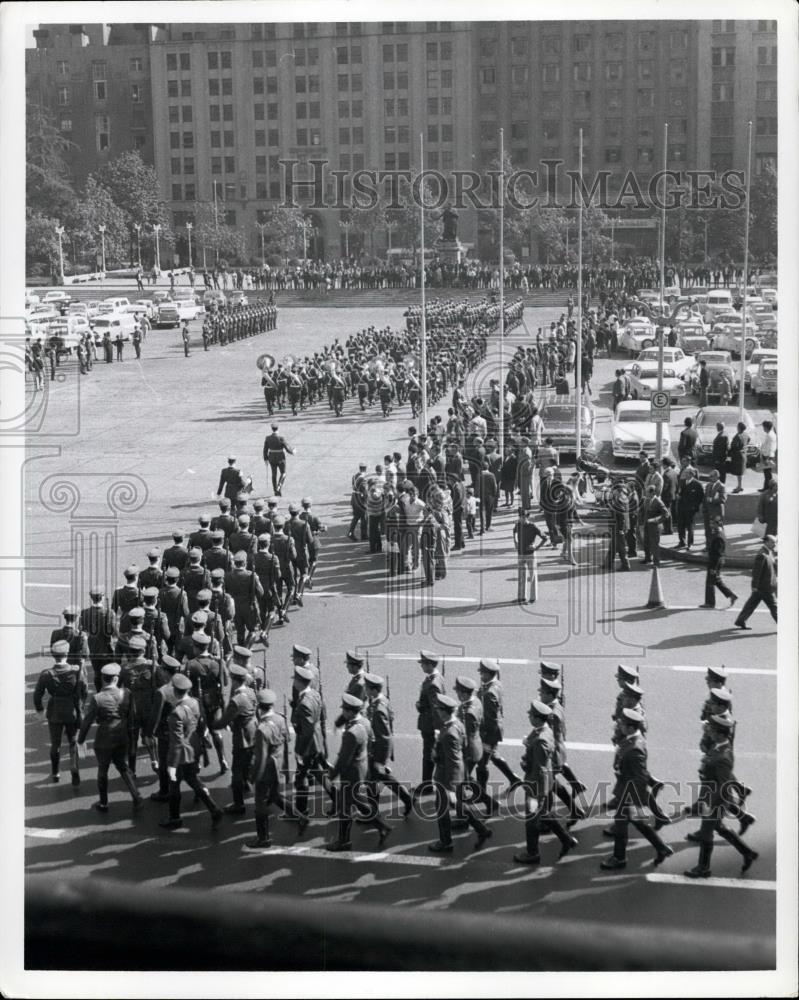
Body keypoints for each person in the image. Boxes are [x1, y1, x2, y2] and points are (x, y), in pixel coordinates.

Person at [683, 714, 758, 878]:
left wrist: (710, 805)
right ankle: (747, 853)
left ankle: (703, 868)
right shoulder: (719, 746)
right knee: (719, 827)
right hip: (710, 794)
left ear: (720, 734)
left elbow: (724, 785)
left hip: (715, 800)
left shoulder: (723, 756)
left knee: (705, 832)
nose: (708, 730)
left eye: (712, 729)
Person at [599, 708, 673, 870]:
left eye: (623, 725)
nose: (620, 727)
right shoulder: (631, 739)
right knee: (636, 822)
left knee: (621, 825)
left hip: (628, 792)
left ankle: (619, 858)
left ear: (631, 728)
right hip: (625, 789)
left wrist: (633, 799)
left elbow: (639, 777)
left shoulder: (634, 749)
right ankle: (662, 848)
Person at [512, 700, 578, 865]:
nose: (529, 717)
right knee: (543, 813)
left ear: (536, 718)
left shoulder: (541, 739)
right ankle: (565, 839)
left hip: (536, 785)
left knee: (531, 820)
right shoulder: (544, 731)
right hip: (543, 781)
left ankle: (533, 853)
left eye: (531, 715)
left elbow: (539, 769)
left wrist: (527, 773)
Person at [326, 693, 392, 851]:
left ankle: (344, 841)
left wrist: (331, 776)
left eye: (344, 710)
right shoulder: (365, 722)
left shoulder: (352, 733)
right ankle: (382, 826)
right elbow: (373, 741)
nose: (343, 713)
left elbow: (343, 759)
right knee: (358, 801)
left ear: (349, 712)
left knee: (345, 807)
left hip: (351, 772)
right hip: (361, 767)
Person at [159, 672, 224, 831]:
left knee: (174, 785)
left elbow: (176, 742)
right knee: (193, 779)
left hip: (181, 754)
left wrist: (172, 766)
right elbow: (202, 723)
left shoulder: (176, 713)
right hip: (194, 748)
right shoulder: (195, 702)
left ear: (175, 691)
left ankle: (175, 818)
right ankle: (214, 809)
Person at [428, 694, 491, 854]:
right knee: (457, 805)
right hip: (456, 773)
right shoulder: (457, 725)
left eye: (439, 709)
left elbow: (452, 760)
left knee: (441, 808)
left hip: (447, 776)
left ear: (444, 712)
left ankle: (446, 842)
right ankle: (481, 829)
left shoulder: (449, 732)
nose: (437, 712)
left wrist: (450, 784)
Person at [77, 663, 143, 813]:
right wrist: (132, 737)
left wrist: (80, 741)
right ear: (116, 678)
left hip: (104, 738)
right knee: (122, 766)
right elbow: (133, 716)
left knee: (103, 770)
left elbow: (87, 722)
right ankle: (136, 796)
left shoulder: (98, 698)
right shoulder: (126, 693)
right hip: (122, 736)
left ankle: (104, 802)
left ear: (103, 679)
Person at [247, 688, 307, 847]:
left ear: (259, 708)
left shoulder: (262, 730)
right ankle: (300, 816)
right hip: (278, 764)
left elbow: (261, 758)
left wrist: (254, 777)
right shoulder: (280, 718)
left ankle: (263, 838)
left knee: (260, 802)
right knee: (275, 796)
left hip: (266, 769)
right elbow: (287, 738)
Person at [33, 640, 88, 785]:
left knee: (55, 744)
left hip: (55, 711)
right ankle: (74, 766)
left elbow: (37, 695)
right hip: (72, 710)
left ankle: (56, 772)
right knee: (72, 741)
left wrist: (40, 710)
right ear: (67, 654)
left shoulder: (47, 674)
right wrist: (80, 705)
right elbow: (85, 690)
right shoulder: (77, 670)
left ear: (53, 655)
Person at [363, 672, 413, 817]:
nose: (365, 690)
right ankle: (405, 798)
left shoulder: (378, 710)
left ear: (373, 690)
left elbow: (384, 736)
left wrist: (380, 759)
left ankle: (372, 813)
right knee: (376, 779)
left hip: (377, 750)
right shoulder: (382, 701)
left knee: (375, 778)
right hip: (376, 749)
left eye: (367, 688)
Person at [211, 662, 258, 815]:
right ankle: (248, 784)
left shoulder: (236, 700)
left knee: (236, 771)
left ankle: (239, 804)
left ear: (235, 680)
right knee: (249, 763)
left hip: (242, 736)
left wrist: (211, 725)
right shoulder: (251, 692)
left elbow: (224, 721)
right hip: (252, 732)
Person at [414, 649, 445, 798]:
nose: (422, 666)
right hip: (430, 722)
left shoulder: (433, 683)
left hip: (430, 725)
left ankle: (427, 785)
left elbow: (436, 708)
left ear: (430, 664)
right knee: (429, 754)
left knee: (428, 755)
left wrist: (437, 729)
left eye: (423, 664)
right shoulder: (434, 678)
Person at [733, 534, 777, 630]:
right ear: (766, 542)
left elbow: (773, 568)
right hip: (765, 587)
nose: (775, 544)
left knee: (751, 604)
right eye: (773, 542)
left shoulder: (769, 552)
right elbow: (756, 572)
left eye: (775, 542)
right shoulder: (761, 555)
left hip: (766, 586)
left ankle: (740, 620)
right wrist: (754, 586)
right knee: (774, 607)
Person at [700, 518, 738, 610]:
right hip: (716, 560)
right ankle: (731, 595)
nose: (710, 525)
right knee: (715, 580)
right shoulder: (718, 533)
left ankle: (710, 603)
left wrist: (713, 567)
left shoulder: (718, 536)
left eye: (712, 523)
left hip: (715, 561)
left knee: (710, 581)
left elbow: (717, 553)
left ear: (718, 524)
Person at [513, 507, 547, 603]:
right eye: (520, 517)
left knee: (532, 576)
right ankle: (521, 597)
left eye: (523, 517)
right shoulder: (518, 525)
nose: (522, 519)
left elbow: (545, 538)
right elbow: (514, 532)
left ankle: (533, 598)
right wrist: (515, 541)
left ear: (527, 517)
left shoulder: (533, 526)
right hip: (520, 553)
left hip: (530, 554)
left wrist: (536, 547)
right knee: (521, 576)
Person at [675, 468, 704, 550]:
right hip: (681, 507)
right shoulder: (682, 482)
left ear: (692, 474)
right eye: (685, 473)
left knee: (690, 526)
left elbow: (701, 497)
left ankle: (690, 543)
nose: (685, 475)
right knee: (680, 525)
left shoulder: (697, 484)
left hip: (690, 509)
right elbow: (678, 491)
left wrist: (695, 506)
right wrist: (678, 495)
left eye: (687, 473)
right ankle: (682, 542)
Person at [262, 423, 294, 496]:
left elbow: (265, 450)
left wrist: (265, 459)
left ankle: (275, 490)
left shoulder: (268, 438)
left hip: (271, 457)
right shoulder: (281, 438)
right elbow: (287, 448)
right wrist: (292, 452)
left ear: (272, 429)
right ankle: (279, 487)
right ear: (278, 428)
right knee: (283, 473)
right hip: (280, 457)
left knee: (274, 474)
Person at [702, 470, 726, 549]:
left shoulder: (721, 486)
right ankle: (708, 546)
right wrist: (704, 508)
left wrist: (712, 500)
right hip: (708, 512)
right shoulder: (708, 485)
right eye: (710, 476)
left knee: (717, 530)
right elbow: (705, 498)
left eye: (712, 476)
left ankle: (719, 547)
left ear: (717, 476)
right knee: (708, 530)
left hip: (716, 512)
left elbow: (723, 499)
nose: (710, 478)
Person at [729, 421, 749, 493]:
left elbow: (733, 446)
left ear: (739, 428)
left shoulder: (738, 436)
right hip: (743, 454)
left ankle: (739, 487)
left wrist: (730, 452)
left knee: (738, 472)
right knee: (740, 473)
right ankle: (740, 486)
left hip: (738, 456)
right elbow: (749, 440)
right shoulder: (746, 434)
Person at [758, 420, 777, 490]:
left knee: (767, 473)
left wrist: (767, 458)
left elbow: (770, 447)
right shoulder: (771, 434)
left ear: (766, 427)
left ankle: (768, 488)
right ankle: (767, 487)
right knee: (767, 473)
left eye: (763, 427)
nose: (763, 428)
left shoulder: (769, 435)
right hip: (768, 455)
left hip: (767, 456)